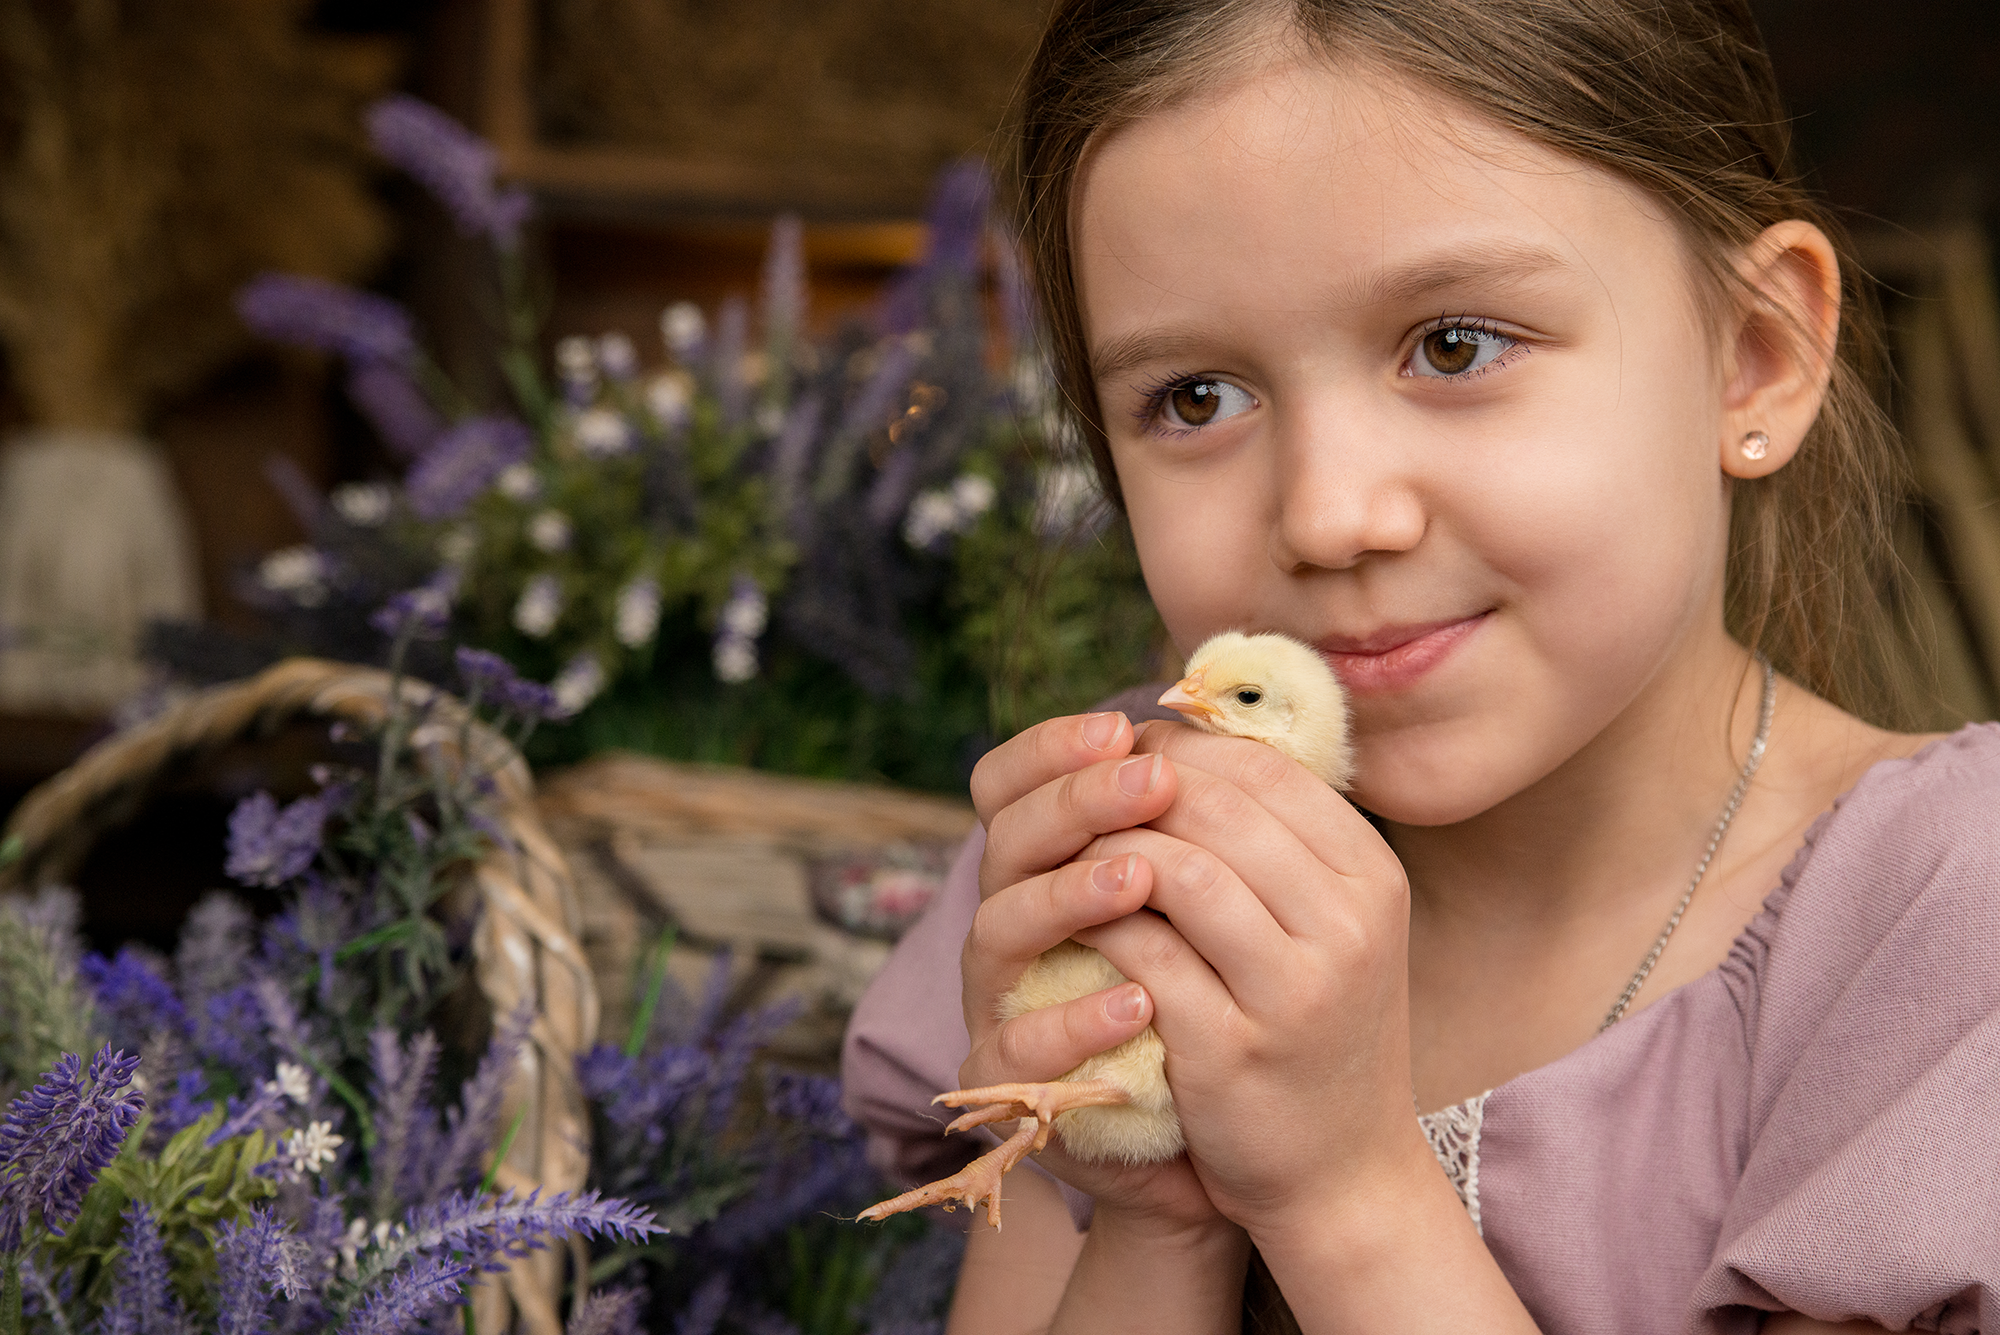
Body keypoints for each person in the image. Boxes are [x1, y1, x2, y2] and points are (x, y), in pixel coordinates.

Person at [843, 1, 2000, 1330]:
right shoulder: (1134, 869)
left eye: (1456, 343)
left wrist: (1342, 1192)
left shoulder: (1945, 927)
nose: (1332, 513)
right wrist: (1153, 1209)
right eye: (1198, 397)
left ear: (1755, 356)